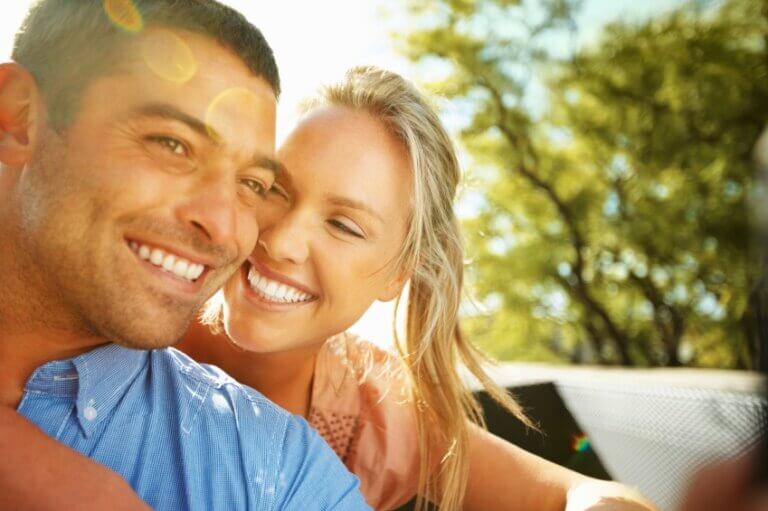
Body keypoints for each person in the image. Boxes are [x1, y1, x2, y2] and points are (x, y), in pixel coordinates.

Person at [1, 62, 655, 509]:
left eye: (344, 224)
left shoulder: (380, 412)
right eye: (271, 189)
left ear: (400, 271)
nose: (281, 240)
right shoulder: (138, 303)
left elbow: (565, 492)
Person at [0, 1, 368, 510]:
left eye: (252, 184)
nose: (221, 225)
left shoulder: (282, 475)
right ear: (20, 119)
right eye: (173, 144)